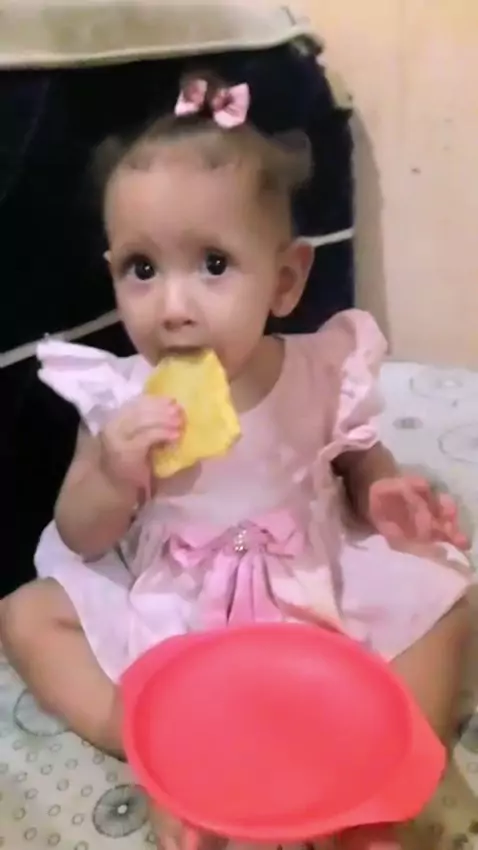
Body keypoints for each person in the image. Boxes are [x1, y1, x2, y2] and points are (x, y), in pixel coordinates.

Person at [0, 74, 471, 850]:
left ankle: (375, 776)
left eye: (213, 264)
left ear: (284, 280)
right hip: (182, 620)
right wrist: (113, 472)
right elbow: (81, 533)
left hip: (310, 592)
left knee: (446, 595)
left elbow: (358, 456)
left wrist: (383, 491)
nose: (173, 307)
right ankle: (168, 761)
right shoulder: (120, 395)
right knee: (24, 614)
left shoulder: (320, 370)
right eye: (142, 269)